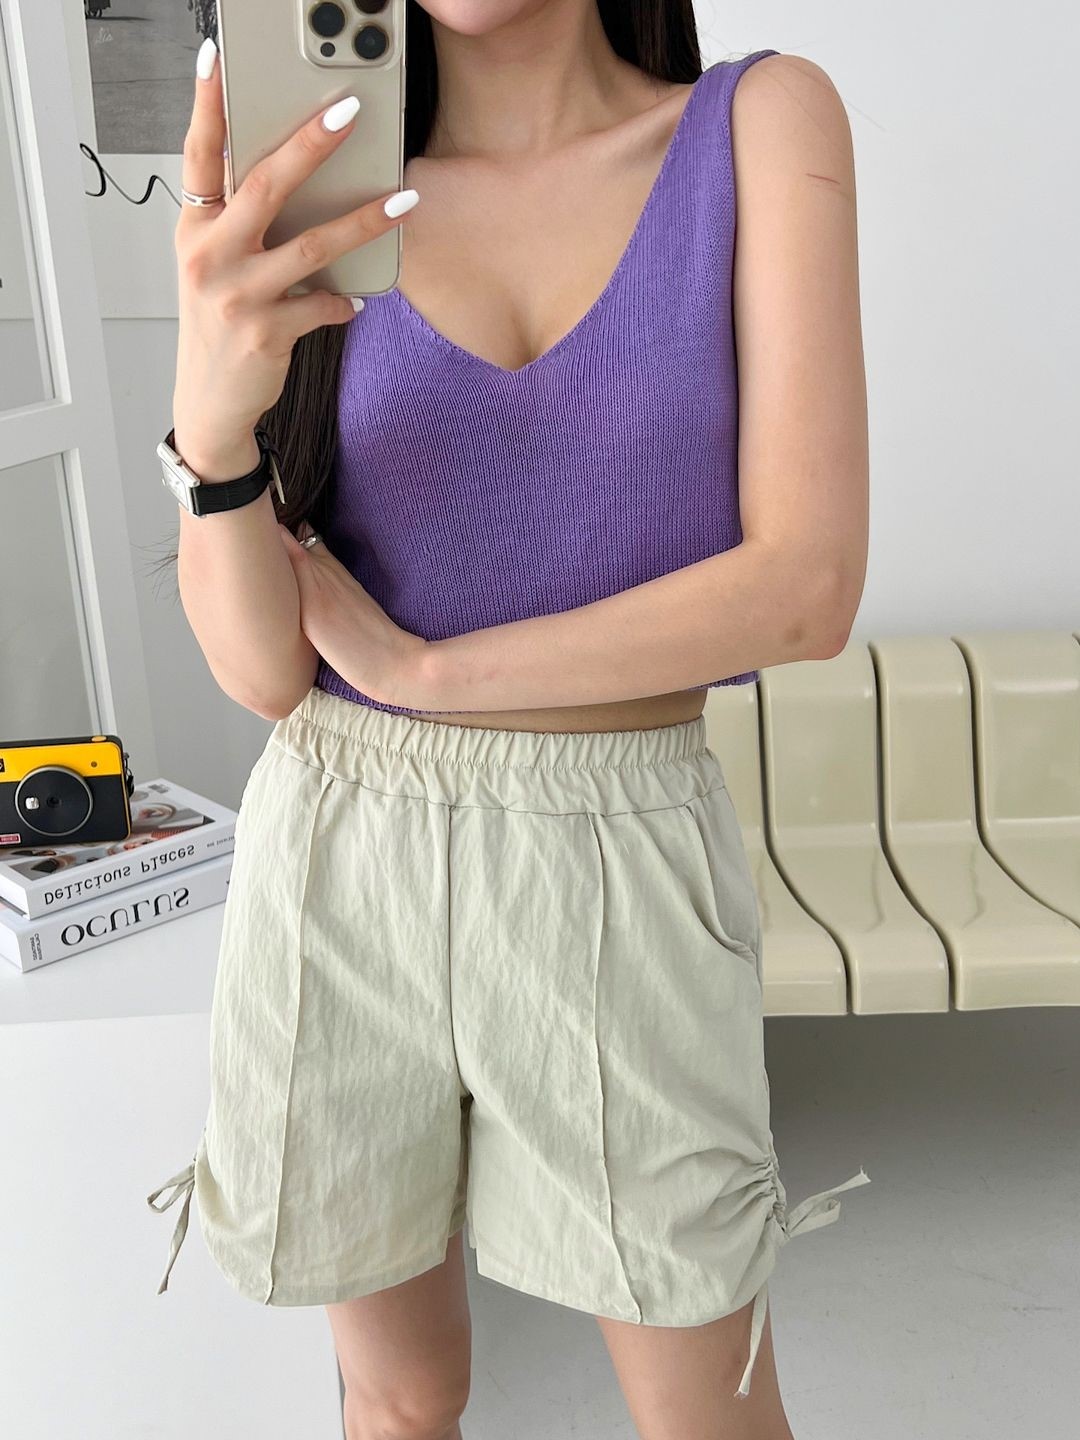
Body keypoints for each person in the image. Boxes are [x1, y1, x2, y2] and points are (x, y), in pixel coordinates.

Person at [146, 3, 870, 1436]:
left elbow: (805, 589)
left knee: (710, 1411)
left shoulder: (755, 125)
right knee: (401, 1403)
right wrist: (211, 426)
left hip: (618, 849)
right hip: (343, 850)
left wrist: (429, 672)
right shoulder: (325, 183)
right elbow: (266, 673)